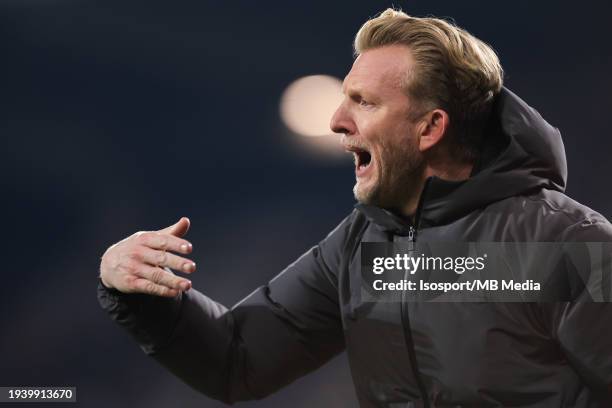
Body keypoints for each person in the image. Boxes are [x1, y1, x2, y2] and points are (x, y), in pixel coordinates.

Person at [97, 8, 612, 407]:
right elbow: (239, 359)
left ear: (430, 128)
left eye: (364, 102)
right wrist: (140, 292)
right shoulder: (361, 244)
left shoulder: (569, 246)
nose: (337, 121)